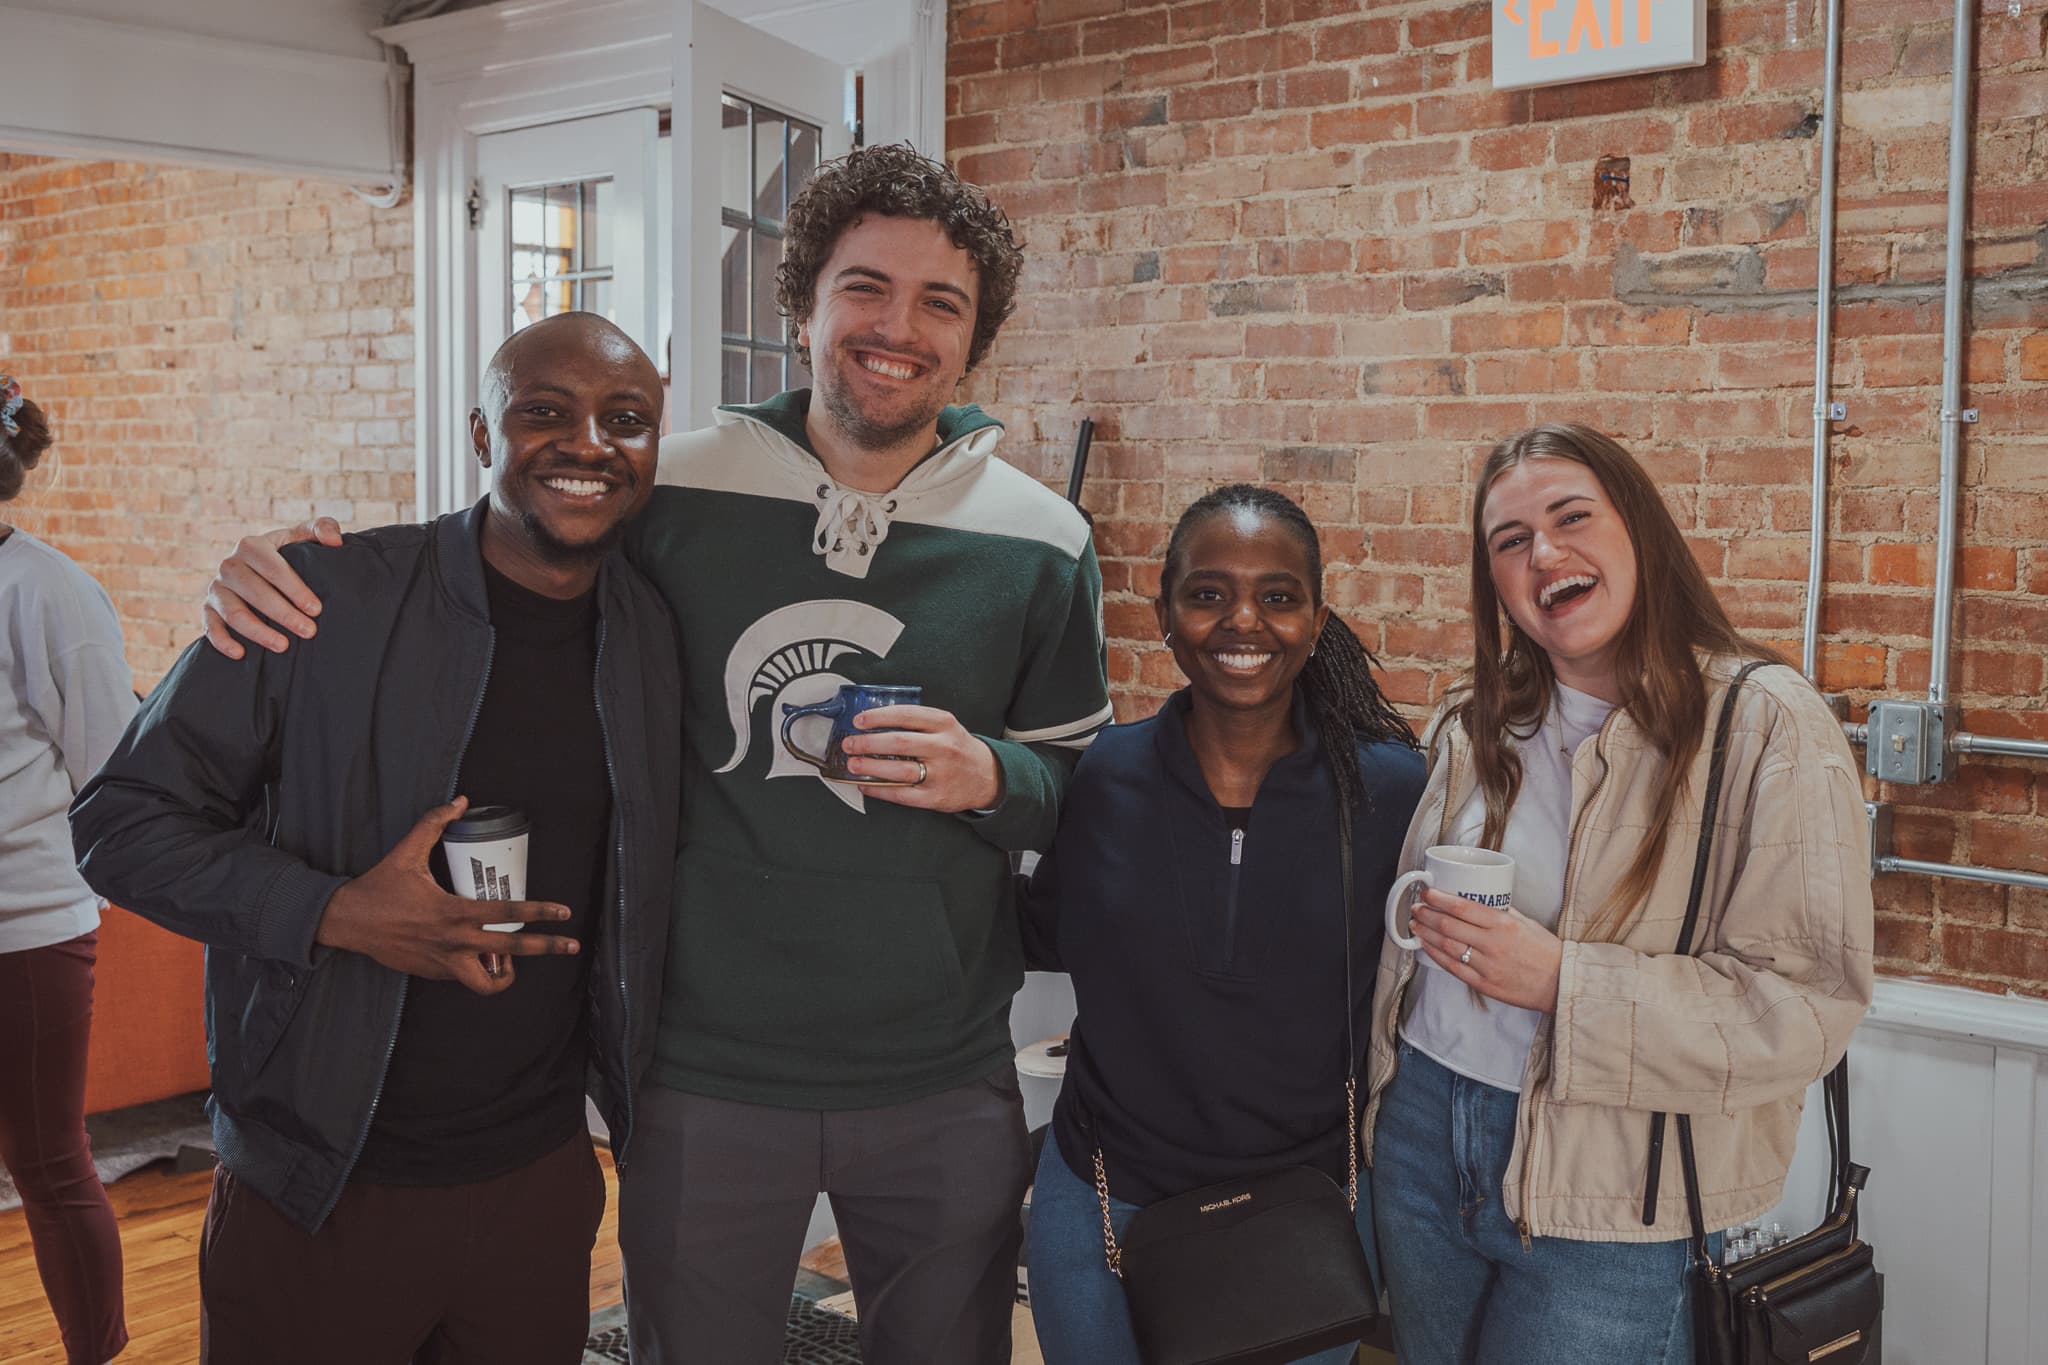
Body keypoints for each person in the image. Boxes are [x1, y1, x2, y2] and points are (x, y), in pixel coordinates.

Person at [194, 144, 1111, 1365]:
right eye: (863, 287)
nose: (897, 328)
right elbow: (492, 563)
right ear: (801, 310)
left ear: (973, 337)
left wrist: (994, 776)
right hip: (696, 1072)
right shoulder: (663, 487)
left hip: (939, 1073)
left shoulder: (1043, 539)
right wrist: (299, 559)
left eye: (939, 302)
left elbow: (1084, 794)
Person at [70, 315, 683, 1365]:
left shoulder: (657, 632)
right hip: (321, 1187)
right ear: (484, 434)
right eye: (545, 412)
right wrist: (338, 912)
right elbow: (119, 825)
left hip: (540, 1183)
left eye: (624, 419)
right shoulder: (324, 599)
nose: (588, 444)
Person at [1363, 423, 1875, 1365]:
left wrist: (1563, 979)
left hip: (1616, 1194)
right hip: (1423, 1143)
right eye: (1510, 541)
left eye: (1571, 518)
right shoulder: (1472, 722)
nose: (1544, 553)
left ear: (1638, 528)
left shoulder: (1766, 725)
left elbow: (1806, 1009)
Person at [1019, 485, 1425, 1365]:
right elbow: (1043, 932)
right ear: (1164, 611)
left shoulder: (1391, 793)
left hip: (1298, 1218)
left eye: (1278, 596)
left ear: (1317, 620)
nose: (1244, 620)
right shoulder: (1105, 778)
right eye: (1208, 593)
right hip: (1101, 1202)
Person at [0, 376, 134, 1365]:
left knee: (47, 1165)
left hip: (28, 931)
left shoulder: (48, 593)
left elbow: (115, 774)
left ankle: (97, 1353)